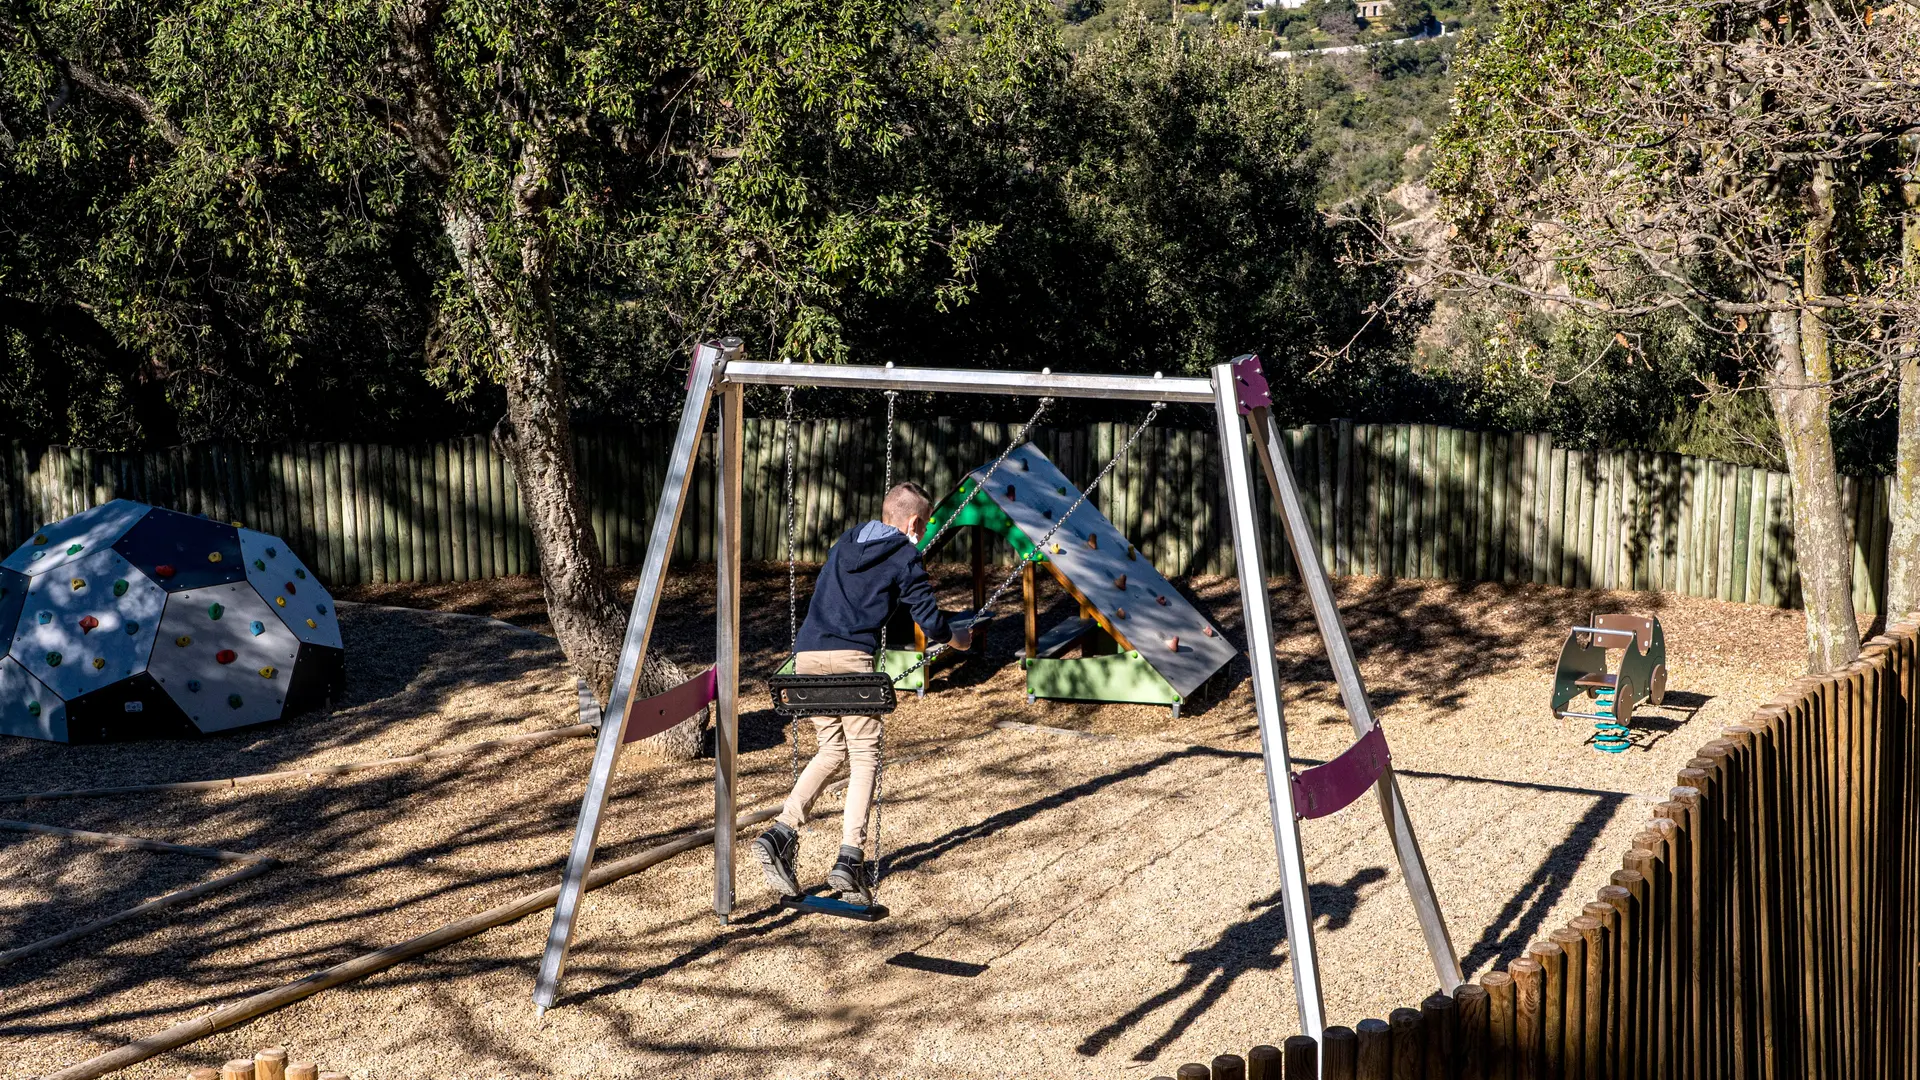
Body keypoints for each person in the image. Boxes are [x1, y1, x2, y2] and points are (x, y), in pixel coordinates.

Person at [752, 481, 972, 904]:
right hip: (851, 661)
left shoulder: (846, 542)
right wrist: (957, 638)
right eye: (923, 527)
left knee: (832, 750)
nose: (922, 535)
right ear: (912, 522)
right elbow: (930, 621)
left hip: (808, 657)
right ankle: (849, 859)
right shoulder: (905, 554)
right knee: (865, 753)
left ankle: (782, 832)